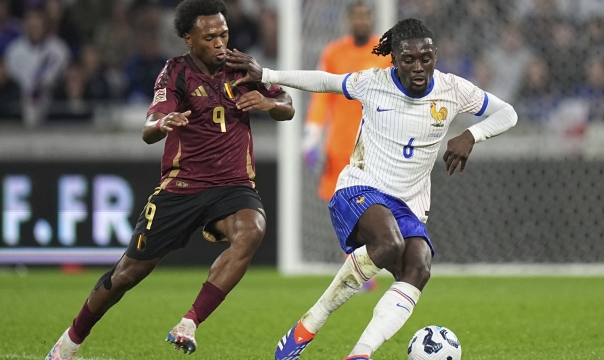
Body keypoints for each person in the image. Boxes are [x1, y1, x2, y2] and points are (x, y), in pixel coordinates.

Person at [226, 17, 517, 360]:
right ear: (393, 59)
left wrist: (472, 134)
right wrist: (267, 75)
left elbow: (508, 113)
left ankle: (360, 354)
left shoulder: (453, 89)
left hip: (408, 203)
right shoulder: (372, 82)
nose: (418, 67)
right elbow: (324, 81)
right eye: (408, 60)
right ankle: (309, 323)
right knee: (388, 242)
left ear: (435, 56)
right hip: (359, 188)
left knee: (419, 267)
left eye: (426, 58)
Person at [45, 1, 294, 359]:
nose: (220, 42)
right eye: (210, 37)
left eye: (224, 33)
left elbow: (287, 103)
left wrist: (271, 104)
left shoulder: (244, 67)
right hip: (183, 187)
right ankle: (69, 342)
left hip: (233, 185)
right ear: (188, 39)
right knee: (127, 275)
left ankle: (189, 322)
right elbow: (149, 130)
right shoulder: (175, 72)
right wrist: (163, 123)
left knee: (252, 228)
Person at [303, 1, 389, 293]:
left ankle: (370, 261)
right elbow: (321, 98)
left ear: (372, 20)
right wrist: (311, 138)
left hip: (377, 144)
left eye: (366, 16)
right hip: (340, 144)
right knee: (342, 207)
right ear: (349, 21)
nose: (361, 21)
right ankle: (356, 263)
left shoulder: (386, 53)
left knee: (375, 205)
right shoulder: (334, 54)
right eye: (356, 16)